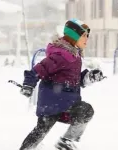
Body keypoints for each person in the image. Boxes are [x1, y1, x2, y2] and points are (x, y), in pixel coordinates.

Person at [19, 18, 106, 150]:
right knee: (40, 131)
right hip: (51, 103)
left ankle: (66, 141)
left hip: (68, 104)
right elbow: (38, 70)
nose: (86, 39)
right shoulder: (61, 55)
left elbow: (74, 80)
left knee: (86, 110)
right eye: (83, 36)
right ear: (73, 37)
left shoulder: (74, 56)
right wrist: (28, 85)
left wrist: (89, 77)